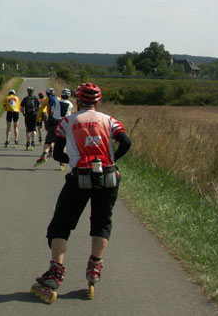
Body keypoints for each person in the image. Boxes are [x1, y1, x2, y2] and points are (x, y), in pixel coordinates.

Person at [30, 83, 132, 303]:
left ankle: (55, 273)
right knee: (102, 222)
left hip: (80, 177)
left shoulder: (67, 122)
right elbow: (126, 142)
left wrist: (73, 161)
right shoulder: (109, 120)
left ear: (78, 101)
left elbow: (58, 153)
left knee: (61, 224)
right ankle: (94, 268)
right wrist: (112, 159)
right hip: (109, 176)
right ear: (98, 102)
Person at [36, 88, 74, 168]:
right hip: (64, 124)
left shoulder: (56, 102)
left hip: (55, 123)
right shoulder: (70, 104)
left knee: (48, 141)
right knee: (62, 143)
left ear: (61, 95)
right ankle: (62, 163)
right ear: (69, 96)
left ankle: (44, 154)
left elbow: (52, 112)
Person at [20, 87, 40, 151]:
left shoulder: (25, 99)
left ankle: (28, 142)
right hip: (34, 115)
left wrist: (24, 113)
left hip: (28, 115)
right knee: (34, 129)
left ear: (28, 92)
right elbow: (39, 107)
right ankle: (33, 142)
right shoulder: (36, 98)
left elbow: (21, 108)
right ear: (33, 92)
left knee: (28, 130)